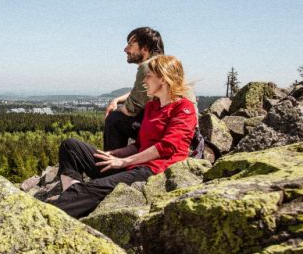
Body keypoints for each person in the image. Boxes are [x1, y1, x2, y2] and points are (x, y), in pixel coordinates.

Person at [52, 55, 197, 218]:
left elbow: (166, 147)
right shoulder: (152, 106)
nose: (145, 81)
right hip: (134, 165)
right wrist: (116, 154)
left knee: (91, 188)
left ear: (163, 79)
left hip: (154, 171)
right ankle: (72, 197)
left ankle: (53, 215)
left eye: (148, 76)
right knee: (71, 147)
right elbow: (139, 145)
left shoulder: (184, 108)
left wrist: (124, 161)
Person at [103, 27, 165, 151]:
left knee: (114, 119)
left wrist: (112, 113)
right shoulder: (161, 65)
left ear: (145, 48)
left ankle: (110, 165)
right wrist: (116, 100)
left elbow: (130, 109)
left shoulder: (147, 68)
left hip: (163, 131)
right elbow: (138, 91)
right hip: (172, 126)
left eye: (131, 45)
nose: (125, 49)